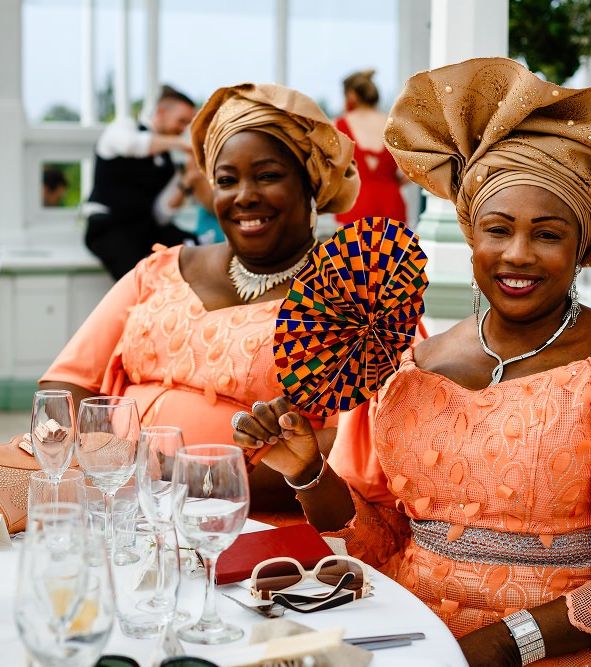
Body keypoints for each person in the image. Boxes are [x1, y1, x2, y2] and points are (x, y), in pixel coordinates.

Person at [233, 59, 591, 666]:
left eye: (547, 235)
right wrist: (309, 472)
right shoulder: (406, 365)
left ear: (582, 247)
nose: (517, 255)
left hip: (564, 650)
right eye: (498, 230)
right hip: (412, 637)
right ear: (473, 236)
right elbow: (379, 541)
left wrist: (504, 643)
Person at [39, 82, 360, 521]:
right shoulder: (161, 269)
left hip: (251, 531)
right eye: (227, 180)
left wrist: (191, 482)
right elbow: (64, 386)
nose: (244, 195)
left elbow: (353, 449)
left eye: (267, 176)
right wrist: (114, 471)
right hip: (115, 508)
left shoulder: (351, 301)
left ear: (311, 185)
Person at [84, 85, 199, 280]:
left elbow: (161, 214)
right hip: (109, 225)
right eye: (181, 122)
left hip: (144, 228)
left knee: (193, 248)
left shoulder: (168, 164)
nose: (182, 130)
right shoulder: (125, 127)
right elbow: (131, 145)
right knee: (139, 277)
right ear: (161, 112)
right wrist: (179, 144)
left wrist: (187, 180)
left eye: (187, 124)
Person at [334, 70, 407, 225]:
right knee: (391, 249)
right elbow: (416, 168)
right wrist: (393, 182)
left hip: (355, 203)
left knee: (354, 249)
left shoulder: (339, 126)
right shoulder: (394, 124)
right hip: (391, 202)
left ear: (351, 95)